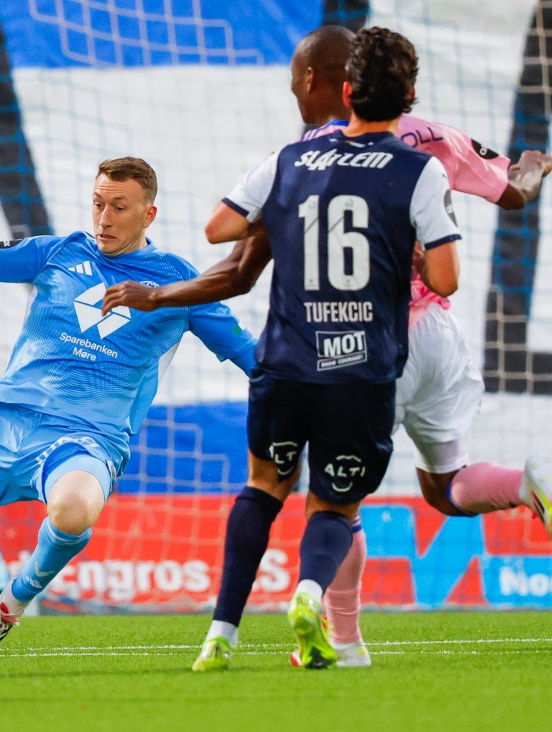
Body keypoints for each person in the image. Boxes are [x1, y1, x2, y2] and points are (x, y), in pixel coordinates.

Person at [101, 24, 552, 669]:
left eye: (294, 79)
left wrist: (165, 290)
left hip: (366, 341)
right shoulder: (431, 144)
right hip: (439, 338)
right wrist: (533, 165)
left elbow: (232, 253)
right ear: (407, 91)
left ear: (329, 84)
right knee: (444, 484)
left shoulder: (301, 158)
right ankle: (527, 483)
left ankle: (341, 639)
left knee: (334, 498)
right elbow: (511, 193)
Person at [0, 157, 256, 654]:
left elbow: (247, 353)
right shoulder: (58, 252)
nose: (104, 218)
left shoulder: (178, 282)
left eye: (119, 207)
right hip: (1, 423)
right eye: (98, 204)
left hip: (86, 437)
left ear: (149, 215)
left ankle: (12, 601)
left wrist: (309, 389)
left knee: (72, 512)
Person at [186, 26, 463, 671]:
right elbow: (446, 281)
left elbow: (218, 228)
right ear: (410, 98)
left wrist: (292, 212)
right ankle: (309, 593)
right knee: (335, 504)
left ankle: (220, 634)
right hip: (361, 371)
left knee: (263, 487)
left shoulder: (289, 159)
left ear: (346, 92)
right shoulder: (420, 171)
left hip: (285, 361)